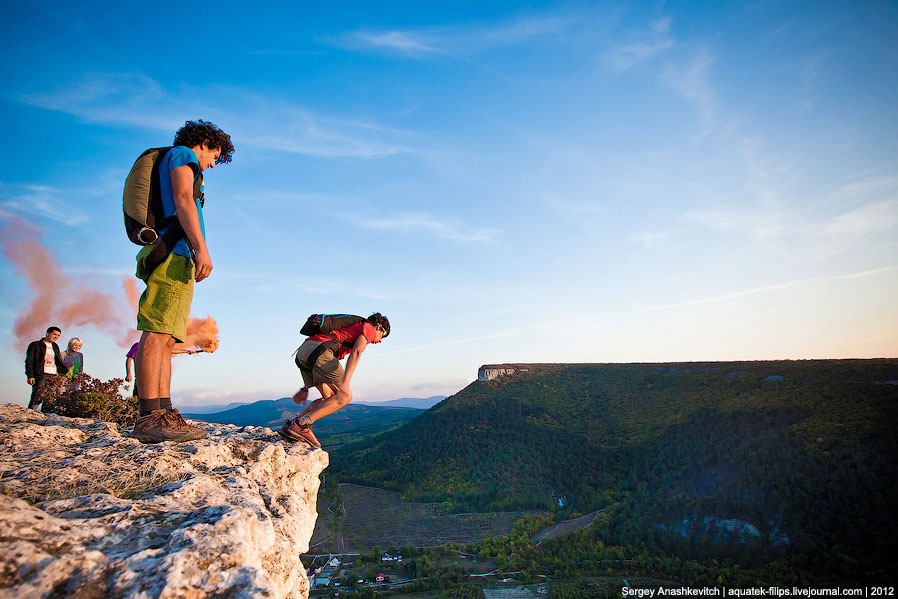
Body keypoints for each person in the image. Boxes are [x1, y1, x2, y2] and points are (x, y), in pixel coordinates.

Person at [130, 119, 234, 444]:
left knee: (167, 338)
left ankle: (162, 413)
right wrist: (202, 249)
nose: (213, 163)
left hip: (177, 255)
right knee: (157, 332)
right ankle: (150, 417)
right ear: (203, 142)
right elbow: (183, 199)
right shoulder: (182, 155)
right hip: (173, 253)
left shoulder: (182, 157)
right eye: (214, 155)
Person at [279, 313, 390, 447]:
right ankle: (302, 425)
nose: (380, 340)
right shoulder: (369, 328)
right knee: (345, 396)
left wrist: (305, 388)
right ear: (379, 327)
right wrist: (345, 383)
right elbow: (356, 352)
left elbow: (321, 363)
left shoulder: (350, 329)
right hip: (319, 351)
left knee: (328, 397)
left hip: (304, 351)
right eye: (383, 335)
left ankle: (292, 424)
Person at [126, 340, 200, 398]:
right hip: (140, 378)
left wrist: (187, 351)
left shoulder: (155, 347)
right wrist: (128, 374)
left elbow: (171, 350)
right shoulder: (137, 345)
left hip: (154, 378)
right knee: (137, 398)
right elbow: (129, 359)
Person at [24, 326, 69, 411]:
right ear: (47, 333)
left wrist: (58, 371)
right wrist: (30, 376)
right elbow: (29, 361)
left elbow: (57, 360)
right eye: (54, 334)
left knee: (49, 398)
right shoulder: (35, 345)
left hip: (53, 375)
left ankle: (46, 418)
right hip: (41, 374)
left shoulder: (55, 346)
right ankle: (29, 415)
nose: (56, 337)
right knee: (37, 396)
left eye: (58, 335)